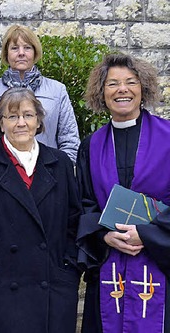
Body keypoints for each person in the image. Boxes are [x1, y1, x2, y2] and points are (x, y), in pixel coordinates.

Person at [0, 87, 81, 333]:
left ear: (38, 121)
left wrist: (68, 270)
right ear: (0, 123)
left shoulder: (60, 163)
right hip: (0, 290)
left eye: (28, 115)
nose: (21, 123)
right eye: (12, 116)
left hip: (53, 290)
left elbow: (74, 221)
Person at [77, 53, 170, 333]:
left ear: (143, 88)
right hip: (110, 262)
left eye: (130, 82)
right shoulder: (91, 146)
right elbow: (84, 203)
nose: (122, 90)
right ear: (101, 93)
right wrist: (104, 235)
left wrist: (147, 234)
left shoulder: (168, 137)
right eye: (112, 84)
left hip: (161, 265)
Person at [0, 25, 80, 162]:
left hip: (47, 176)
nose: (21, 53)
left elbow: (70, 140)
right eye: (15, 48)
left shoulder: (57, 91)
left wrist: (58, 173)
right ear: (6, 53)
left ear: (35, 52)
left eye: (27, 47)